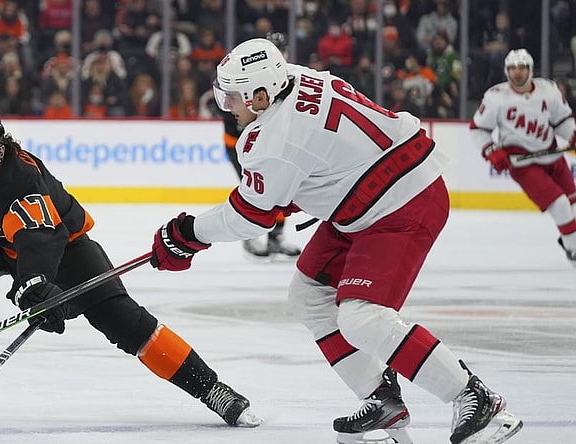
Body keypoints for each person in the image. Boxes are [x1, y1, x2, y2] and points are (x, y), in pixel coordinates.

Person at [149, 38, 523, 444]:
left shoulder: (274, 140)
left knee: (362, 317)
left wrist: (186, 235)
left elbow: (248, 217)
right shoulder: (296, 77)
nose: (228, 107)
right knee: (309, 295)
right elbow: (319, 156)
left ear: (261, 94)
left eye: (234, 98)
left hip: (402, 202)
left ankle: (476, 399)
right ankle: (381, 400)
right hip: (367, 198)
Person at [0, 108, 261, 428]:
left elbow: (38, 240)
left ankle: (212, 389)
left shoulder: (21, 179)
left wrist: (35, 290)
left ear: (1, 152)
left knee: (121, 318)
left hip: (62, 243)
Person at [471, 49, 576, 265]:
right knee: (560, 205)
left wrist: (572, 134)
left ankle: (569, 243)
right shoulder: (496, 97)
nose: (517, 73)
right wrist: (491, 150)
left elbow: (563, 120)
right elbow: (478, 129)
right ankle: (574, 251)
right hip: (523, 164)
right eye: (512, 68)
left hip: (553, 157)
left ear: (530, 69)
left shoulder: (548, 90)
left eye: (521, 68)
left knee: (573, 203)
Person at [220, 31, 301, 259]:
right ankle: (250, 235)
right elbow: (229, 108)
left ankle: (275, 237)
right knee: (256, 191)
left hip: (268, 143)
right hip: (238, 144)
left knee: (280, 190)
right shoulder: (240, 76)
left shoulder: (286, 77)